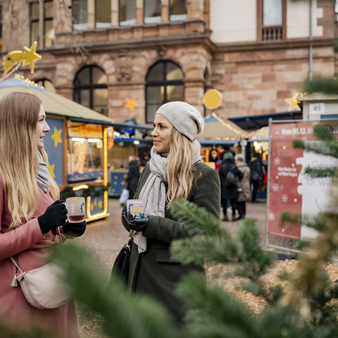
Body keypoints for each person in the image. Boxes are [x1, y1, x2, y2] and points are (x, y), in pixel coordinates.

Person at [120, 101, 220, 324]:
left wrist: (150, 224)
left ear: (180, 132)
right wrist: (129, 219)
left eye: (162, 127)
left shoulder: (203, 176)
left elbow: (205, 234)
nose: (153, 132)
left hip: (175, 283)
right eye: (154, 126)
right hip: (139, 272)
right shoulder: (151, 168)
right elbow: (137, 208)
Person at [0, 92, 86, 337]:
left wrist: (63, 230)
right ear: (20, 125)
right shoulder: (2, 175)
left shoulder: (39, 173)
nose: (47, 128)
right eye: (41, 120)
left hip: (53, 290)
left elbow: (41, 230)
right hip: (21, 302)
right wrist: (42, 224)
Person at [218, 152, 243, 221]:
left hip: (224, 187)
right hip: (233, 187)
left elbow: (219, 178)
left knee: (224, 203)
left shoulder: (222, 167)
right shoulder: (234, 166)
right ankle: (233, 216)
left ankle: (225, 217)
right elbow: (241, 175)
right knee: (233, 202)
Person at [234, 154, 251, 220]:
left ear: (238, 160)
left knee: (238, 201)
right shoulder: (247, 168)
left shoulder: (237, 168)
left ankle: (241, 214)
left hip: (240, 186)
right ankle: (243, 214)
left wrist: (238, 186)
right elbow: (249, 177)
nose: (235, 161)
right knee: (243, 201)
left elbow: (236, 178)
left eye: (235, 160)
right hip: (246, 185)